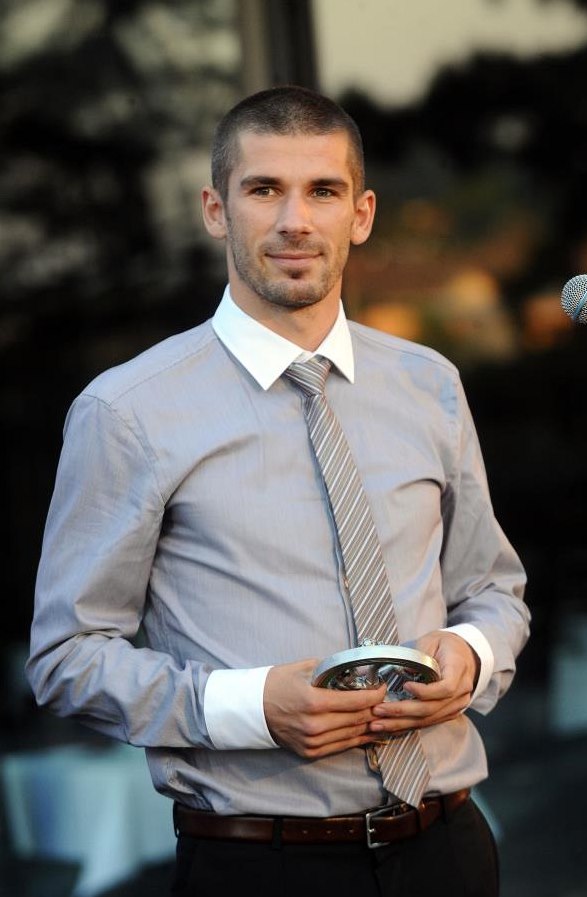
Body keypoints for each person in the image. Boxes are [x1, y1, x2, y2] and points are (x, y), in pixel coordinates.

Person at [27, 85, 530, 897]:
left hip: (449, 850)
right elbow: (67, 658)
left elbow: (495, 589)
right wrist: (252, 707)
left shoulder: (430, 383)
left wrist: (469, 657)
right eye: (264, 189)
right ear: (215, 210)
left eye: (322, 191)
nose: (296, 220)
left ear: (361, 214)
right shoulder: (127, 412)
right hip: (259, 866)